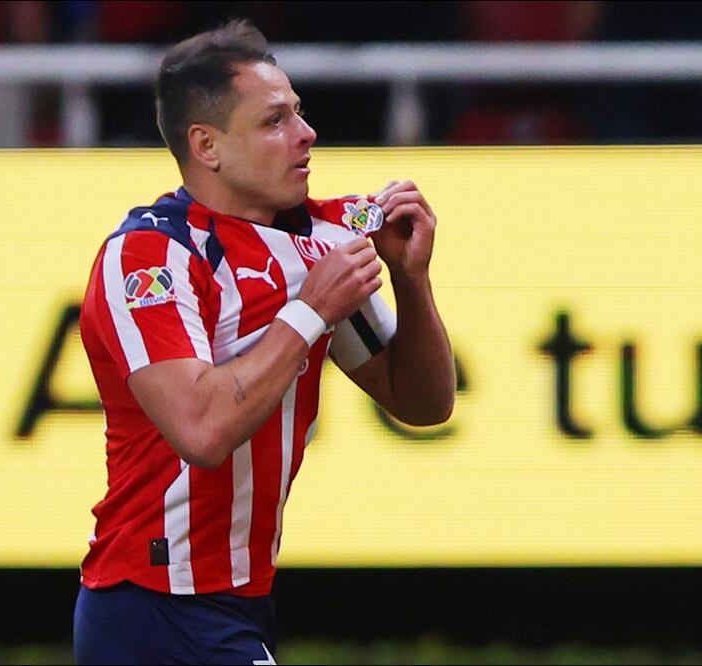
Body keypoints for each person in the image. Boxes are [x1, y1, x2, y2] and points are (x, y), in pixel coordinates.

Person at [74, 19, 456, 665]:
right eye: (274, 121)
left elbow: (421, 403)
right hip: (154, 599)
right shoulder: (150, 257)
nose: (306, 135)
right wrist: (309, 312)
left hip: (233, 597)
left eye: (299, 114)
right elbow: (200, 432)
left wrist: (410, 280)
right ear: (208, 146)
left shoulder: (316, 240)